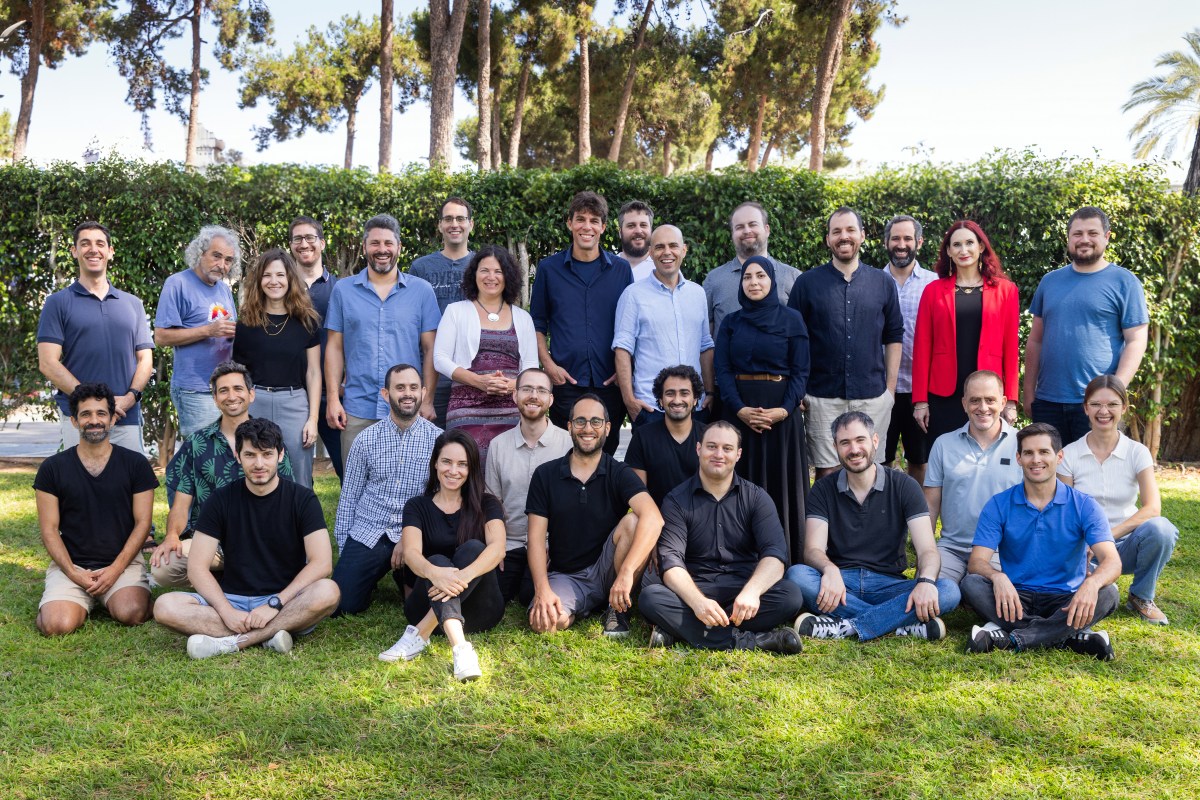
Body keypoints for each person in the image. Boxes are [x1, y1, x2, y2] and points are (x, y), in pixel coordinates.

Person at [152, 418, 340, 659]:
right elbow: (197, 567)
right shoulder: (220, 500)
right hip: (233, 600)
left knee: (328, 591)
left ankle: (233, 643)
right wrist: (226, 611)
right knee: (165, 607)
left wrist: (275, 604)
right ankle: (271, 635)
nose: (259, 464)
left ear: (280, 455)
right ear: (237, 456)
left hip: (285, 599)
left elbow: (322, 563)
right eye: (250, 455)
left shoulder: (302, 499)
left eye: (267, 454)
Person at [785, 411, 960, 642]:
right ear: (835, 447)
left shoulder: (905, 486)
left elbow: (928, 550)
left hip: (889, 585)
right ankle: (898, 624)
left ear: (875, 440)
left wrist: (926, 582)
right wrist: (830, 570)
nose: (854, 449)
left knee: (948, 590)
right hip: (841, 583)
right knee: (797, 575)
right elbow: (812, 550)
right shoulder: (823, 489)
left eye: (860, 440)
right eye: (845, 443)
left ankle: (847, 625)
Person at [638, 422, 806, 653]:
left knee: (790, 596)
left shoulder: (757, 498)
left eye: (727, 448)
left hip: (743, 591)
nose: (719, 454)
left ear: (738, 454)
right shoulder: (676, 500)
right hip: (695, 589)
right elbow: (671, 561)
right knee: (651, 598)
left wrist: (752, 592)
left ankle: (681, 630)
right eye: (712, 446)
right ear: (699, 449)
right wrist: (698, 603)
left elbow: (775, 554)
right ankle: (756, 641)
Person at [963, 423, 1121, 660]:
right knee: (972, 584)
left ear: (1059, 456)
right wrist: (998, 577)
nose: (1036, 460)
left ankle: (1012, 638)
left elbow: (1112, 562)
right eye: (1028, 453)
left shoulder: (1085, 505)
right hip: (1015, 597)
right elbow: (977, 562)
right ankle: (1068, 636)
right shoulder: (998, 504)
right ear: (1019, 458)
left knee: (1109, 593)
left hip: (1067, 598)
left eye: (1044, 452)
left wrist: (1091, 583)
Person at [526, 395, 663, 636]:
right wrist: (542, 589)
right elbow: (535, 540)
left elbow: (654, 518)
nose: (588, 428)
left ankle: (617, 608)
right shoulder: (545, 475)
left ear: (607, 428)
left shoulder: (618, 472)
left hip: (609, 569)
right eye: (580, 421)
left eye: (596, 422)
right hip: (568, 576)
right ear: (570, 427)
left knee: (633, 521)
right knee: (544, 623)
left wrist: (626, 573)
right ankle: (582, 605)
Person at [151, 361, 296, 589]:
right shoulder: (196, 444)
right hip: (212, 543)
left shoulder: (270, 439)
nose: (231, 396)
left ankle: (230, 579)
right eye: (223, 390)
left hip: (262, 542)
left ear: (251, 394)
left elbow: (287, 499)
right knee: (163, 568)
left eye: (238, 389)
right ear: (215, 398)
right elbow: (181, 504)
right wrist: (171, 536)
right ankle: (221, 576)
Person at [379, 431, 506, 681]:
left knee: (474, 549)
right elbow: (411, 554)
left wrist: (461, 577)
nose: (453, 471)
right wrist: (435, 573)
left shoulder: (487, 503)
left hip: (480, 611)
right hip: (426, 604)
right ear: (435, 463)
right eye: (447, 461)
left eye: (462, 464)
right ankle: (461, 649)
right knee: (435, 561)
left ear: (471, 468)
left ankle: (420, 634)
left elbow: (497, 548)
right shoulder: (417, 506)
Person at [33, 383, 158, 636]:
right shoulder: (52, 468)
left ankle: (122, 592)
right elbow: (49, 530)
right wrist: (73, 573)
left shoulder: (135, 464)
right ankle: (65, 599)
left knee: (131, 612)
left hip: (122, 563)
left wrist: (115, 570)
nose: (94, 421)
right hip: (72, 565)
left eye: (101, 413)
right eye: (86, 414)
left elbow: (143, 523)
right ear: (74, 421)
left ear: (112, 419)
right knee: (56, 626)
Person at [788, 207, 903, 480]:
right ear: (828, 239)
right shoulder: (806, 283)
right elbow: (793, 339)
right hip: (821, 397)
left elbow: (894, 336)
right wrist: (798, 389)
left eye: (850, 230)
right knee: (828, 473)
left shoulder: (883, 283)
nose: (844, 236)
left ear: (862, 235)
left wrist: (890, 390)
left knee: (871, 472)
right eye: (836, 231)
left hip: (872, 395)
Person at [1023, 207, 1149, 444]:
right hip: (1048, 401)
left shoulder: (1124, 282)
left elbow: (1136, 340)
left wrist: (1115, 391)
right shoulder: (1049, 281)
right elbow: (1036, 340)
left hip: (1097, 405)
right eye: (1077, 234)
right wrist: (1028, 391)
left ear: (1106, 237)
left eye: (1092, 233)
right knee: (1048, 466)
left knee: (1097, 466)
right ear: (1068, 238)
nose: (1084, 240)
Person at [1059, 375, 1178, 625]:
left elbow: (1152, 508)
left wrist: (1107, 537)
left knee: (1162, 529)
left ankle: (1141, 596)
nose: (1104, 411)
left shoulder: (1137, 452)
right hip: (1085, 549)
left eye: (1112, 404)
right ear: (1085, 408)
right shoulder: (1069, 454)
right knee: (1088, 593)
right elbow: (1064, 512)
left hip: (1125, 545)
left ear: (1124, 407)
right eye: (1096, 404)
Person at [324, 214, 441, 469]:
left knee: (411, 482)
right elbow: (334, 347)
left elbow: (431, 348)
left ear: (399, 247)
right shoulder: (343, 291)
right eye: (375, 243)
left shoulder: (421, 291)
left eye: (388, 243)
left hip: (408, 409)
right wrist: (333, 399)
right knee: (355, 482)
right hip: (358, 409)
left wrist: (428, 399)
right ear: (364, 247)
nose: (382, 249)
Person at [715, 255, 810, 563]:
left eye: (760, 276)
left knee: (782, 486)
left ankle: (787, 559)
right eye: (747, 277)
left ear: (772, 280)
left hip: (781, 418)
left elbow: (801, 371)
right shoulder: (731, 323)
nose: (753, 282)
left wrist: (784, 410)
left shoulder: (792, 320)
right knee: (741, 485)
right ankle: (739, 559)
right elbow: (723, 371)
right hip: (739, 416)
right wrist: (740, 410)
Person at [331, 364, 442, 615]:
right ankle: (371, 574)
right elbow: (349, 497)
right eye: (400, 388)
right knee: (344, 605)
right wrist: (346, 551)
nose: (407, 394)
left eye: (413, 387)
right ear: (385, 394)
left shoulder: (437, 441)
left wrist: (409, 537)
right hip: (370, 530)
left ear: (423, 392)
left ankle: (404, 575)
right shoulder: (365, 440)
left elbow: (438, 500)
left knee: (423, 604)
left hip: (416, 534)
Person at [530, 191, 632, 455]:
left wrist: (623, 370)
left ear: (603, 227)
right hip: (566, 382)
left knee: (605, 456)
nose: (587, 227)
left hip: (610, 382)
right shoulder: (549, 269)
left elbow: (631, 325)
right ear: (570, 223)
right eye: (581, 219)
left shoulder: (621, 270)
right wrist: (549, 365)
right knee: (565, 455)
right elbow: (537, 323)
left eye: (594, 220)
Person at [37, 221, 153, 454]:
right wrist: (93, 402)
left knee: (130, 477)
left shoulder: (133, 304)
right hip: (80, 416)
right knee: (80, 478)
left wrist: (130, 398)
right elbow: (48, 363)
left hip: (125, 415)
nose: (93, 249)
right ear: (74, 251)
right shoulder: (57, 303)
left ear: (110, 251)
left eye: (100, 244)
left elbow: (145, 359)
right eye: (85, 244)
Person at [912, 220, 1020, 444]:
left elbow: (1010, 348)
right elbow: (922, 347)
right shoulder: (932, 291)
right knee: (944, 455)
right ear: (948, 251)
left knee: (988, 454)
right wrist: (920, 401)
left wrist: (1010, 400)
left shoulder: (1006, 291)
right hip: (943, 392)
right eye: (957, 245)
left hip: (987, 394)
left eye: (969, 243)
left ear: (981, 247)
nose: (964, 250)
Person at [433, 244, 538, 465]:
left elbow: (531, 367)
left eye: (498, 271)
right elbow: (440, 359)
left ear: (508, 276)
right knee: (465, 469)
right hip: (465, 407)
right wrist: (479, 381)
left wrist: (510, 385)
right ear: (474, 274)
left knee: (507, 470)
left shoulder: (523, 318)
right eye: (485, 270)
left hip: (511, 408)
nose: (491, 277)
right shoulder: (456, 311)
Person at [233, 248, 321, 487]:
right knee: (254, 472)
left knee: (300, 477)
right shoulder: (246, 323)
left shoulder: (307, 321)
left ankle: (301, 514)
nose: (274, 281)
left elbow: (314, 372)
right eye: (267, 275)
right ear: (259, 280)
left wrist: (312, 419)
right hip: (256, 402)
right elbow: (239, 374)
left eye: (280, 275)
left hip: (294, 404)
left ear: (290, 278)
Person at [483, 368, 572, 603]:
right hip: (510, 543)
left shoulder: (568, 444)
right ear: (515, 395)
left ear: (550, 399)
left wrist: (560, 546)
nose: (533, 395)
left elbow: (574, 505)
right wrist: (495, 545)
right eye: (527, 389)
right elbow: (492, 503)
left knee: (529, 596)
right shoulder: (498, 445)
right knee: (495, 595)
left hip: (551, 544)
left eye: (541, 390)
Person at [923, 370, 1020, 585]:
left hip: (1000, 549)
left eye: (990, 400)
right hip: (951, 548)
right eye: (975, 400)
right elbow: (930, 506)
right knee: (933, 592)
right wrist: (926, 553)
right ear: (964, 404)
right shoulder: (943, 444)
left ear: (1003, 402)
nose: (983, 407)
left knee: (983, 590)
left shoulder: (1022, 444)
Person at [613, 224, 715, 429]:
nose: (667, 252)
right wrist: (629, 401)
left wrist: (710, 392)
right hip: (651, 408)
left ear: (684, 250)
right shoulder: (633, 295)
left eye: (673, 246)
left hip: (695, 407)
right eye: (659, 247)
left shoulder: (697, 294)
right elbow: (622, 349)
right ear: (651, 253)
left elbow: (705, 346)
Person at [154, 225, 239, 437]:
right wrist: (208, 330)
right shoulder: (177, 283)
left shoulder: (224, 289)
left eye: (228, 260)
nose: (222, 265)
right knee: (204, 453)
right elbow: (161, 337)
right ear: (200, 253)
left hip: (225, 388)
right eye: (216, 256)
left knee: (228, 452)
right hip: (195, 390)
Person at [411, 197, 476, 428]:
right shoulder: (421, 268)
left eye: (460, 218)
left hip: (472, 374)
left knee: (469, 444)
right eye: (448, 219)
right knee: (431, 444)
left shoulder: (482, 266)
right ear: (440, 225)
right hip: (432, 377)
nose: (454, 224)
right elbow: (413, 321)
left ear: (471, 224)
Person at [881, 214, 936, 481]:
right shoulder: (872, 281)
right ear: (886, 242)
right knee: (881, 459)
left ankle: (917, 507)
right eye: (895, 238)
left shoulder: (934, 283)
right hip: (881, 388)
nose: (901, 245)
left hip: (921, 390)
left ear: (919, 242)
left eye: (907, 238)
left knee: (921, 461)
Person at [289, 215, 342, 480]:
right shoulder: (281, 288)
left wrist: (344, 382)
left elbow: (351, 340)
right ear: (291, 246)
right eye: (297, 239)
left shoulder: (341, 289)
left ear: (322, 243)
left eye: (310, 237)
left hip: (333, 395)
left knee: (348, 467)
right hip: (293, 394)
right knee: (294, 474)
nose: (304, 244)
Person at [703, 201, 800, 336]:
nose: (747, 231)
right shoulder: (714, 280)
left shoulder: (793, 277)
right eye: (739, 227)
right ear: (732, 234)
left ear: (767, 230)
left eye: (753, 224)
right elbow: (705, 337)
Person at [625, 366, 707, 506]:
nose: (677, 400)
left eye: (684, 393)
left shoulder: (709, 436)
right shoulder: (643, 437)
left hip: (701, 514)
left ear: (695, 399)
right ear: (661, 400)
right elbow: (637, 493)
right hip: (656, 515)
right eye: (670, 393)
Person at [615, 200, 655, 281]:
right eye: (631, 225)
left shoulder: (662, 269)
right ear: (620, 232)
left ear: (651, 230)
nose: (638, 231)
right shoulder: (607, 268)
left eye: (643, 225)